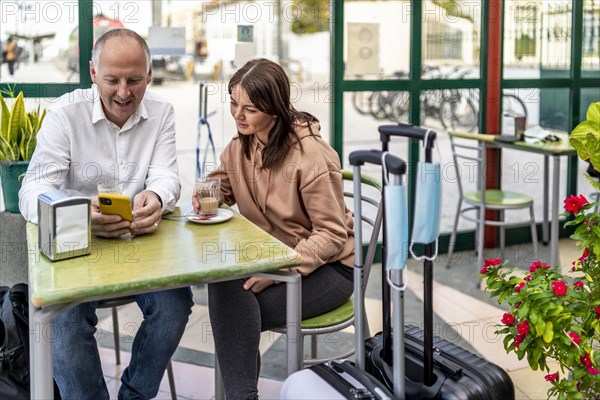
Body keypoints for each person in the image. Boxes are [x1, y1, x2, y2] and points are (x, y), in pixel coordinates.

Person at [19, 29, 193, 400]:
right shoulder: (65, 115)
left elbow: (166, 175)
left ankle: (134, 394)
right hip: (77, 248)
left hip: (140, 248)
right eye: (113, 80)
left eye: (134, 80)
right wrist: (79, 214)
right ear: (93, 72)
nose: (124, 93)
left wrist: (158, 196)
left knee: (175, 305)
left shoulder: (161, 112)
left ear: (149, 73)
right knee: (63, 322)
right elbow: (31, 191)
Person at [193, 58, 355, 399]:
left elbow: (331, 235)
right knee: (226, 289)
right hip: (271, 261)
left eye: (249, 109)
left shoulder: (310, 155)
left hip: (331, 271)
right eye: (234, 103)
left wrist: (276, 268)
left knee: (234, 316)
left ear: (275, 108)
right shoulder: (241, 147)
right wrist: (204, 194)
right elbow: (220, 189)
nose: (238, 115)